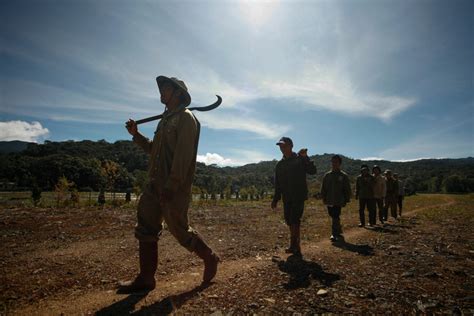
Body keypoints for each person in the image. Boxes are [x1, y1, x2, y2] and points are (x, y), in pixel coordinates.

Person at [121, 76, 219, 294]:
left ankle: (210, 257)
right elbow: (153, 149)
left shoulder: (186, 119)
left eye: (166, 89)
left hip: (172, 187)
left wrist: (171, 186)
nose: (161, 92)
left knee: (180, 230)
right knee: (146, 228)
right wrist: (136, 135)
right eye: (162, 88)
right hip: (153, 184)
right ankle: (146, 279)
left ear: (178, 94)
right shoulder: (164, 120)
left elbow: (183, 157)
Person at [271, 137, 317, 256]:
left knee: (295, 219)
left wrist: (306, 157)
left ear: (291, 146)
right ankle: (294, 244)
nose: (282, 148)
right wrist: (276, 198)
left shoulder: (300, 159)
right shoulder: (280, 164)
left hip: (298, 195)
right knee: (288, 220)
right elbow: (278, 183)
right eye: (280, 146)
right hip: (287, 196)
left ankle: (294, 245)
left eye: (284, 146)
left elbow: (312, 171)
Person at [320, 155, 351, 242]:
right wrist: (323, 197)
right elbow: (323, 188)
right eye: (333, 162)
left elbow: (347, 188)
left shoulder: (343, 175)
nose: (334, 163)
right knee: (333, 215)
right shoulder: (327, 175)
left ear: (340, 163)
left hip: (339, 199)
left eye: (336, 162)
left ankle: (334, 234)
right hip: (329, 199)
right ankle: (338, 230)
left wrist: (346, 199)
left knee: (335, 215)